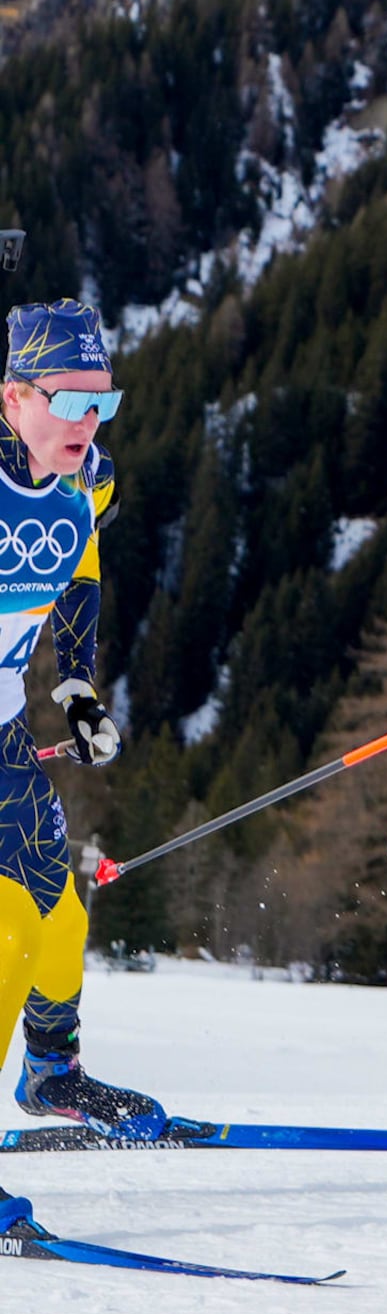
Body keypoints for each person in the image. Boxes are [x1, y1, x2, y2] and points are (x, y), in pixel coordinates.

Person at [0, 301, 159, 1240]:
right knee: (11, 922)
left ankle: (51, 1073)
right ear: (13, 397)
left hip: (9, 727)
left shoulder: (85, 481)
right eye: (66, 399)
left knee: (57, 906)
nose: (87, 421)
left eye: (104, 400)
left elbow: (82, 563)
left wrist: (80, 690)